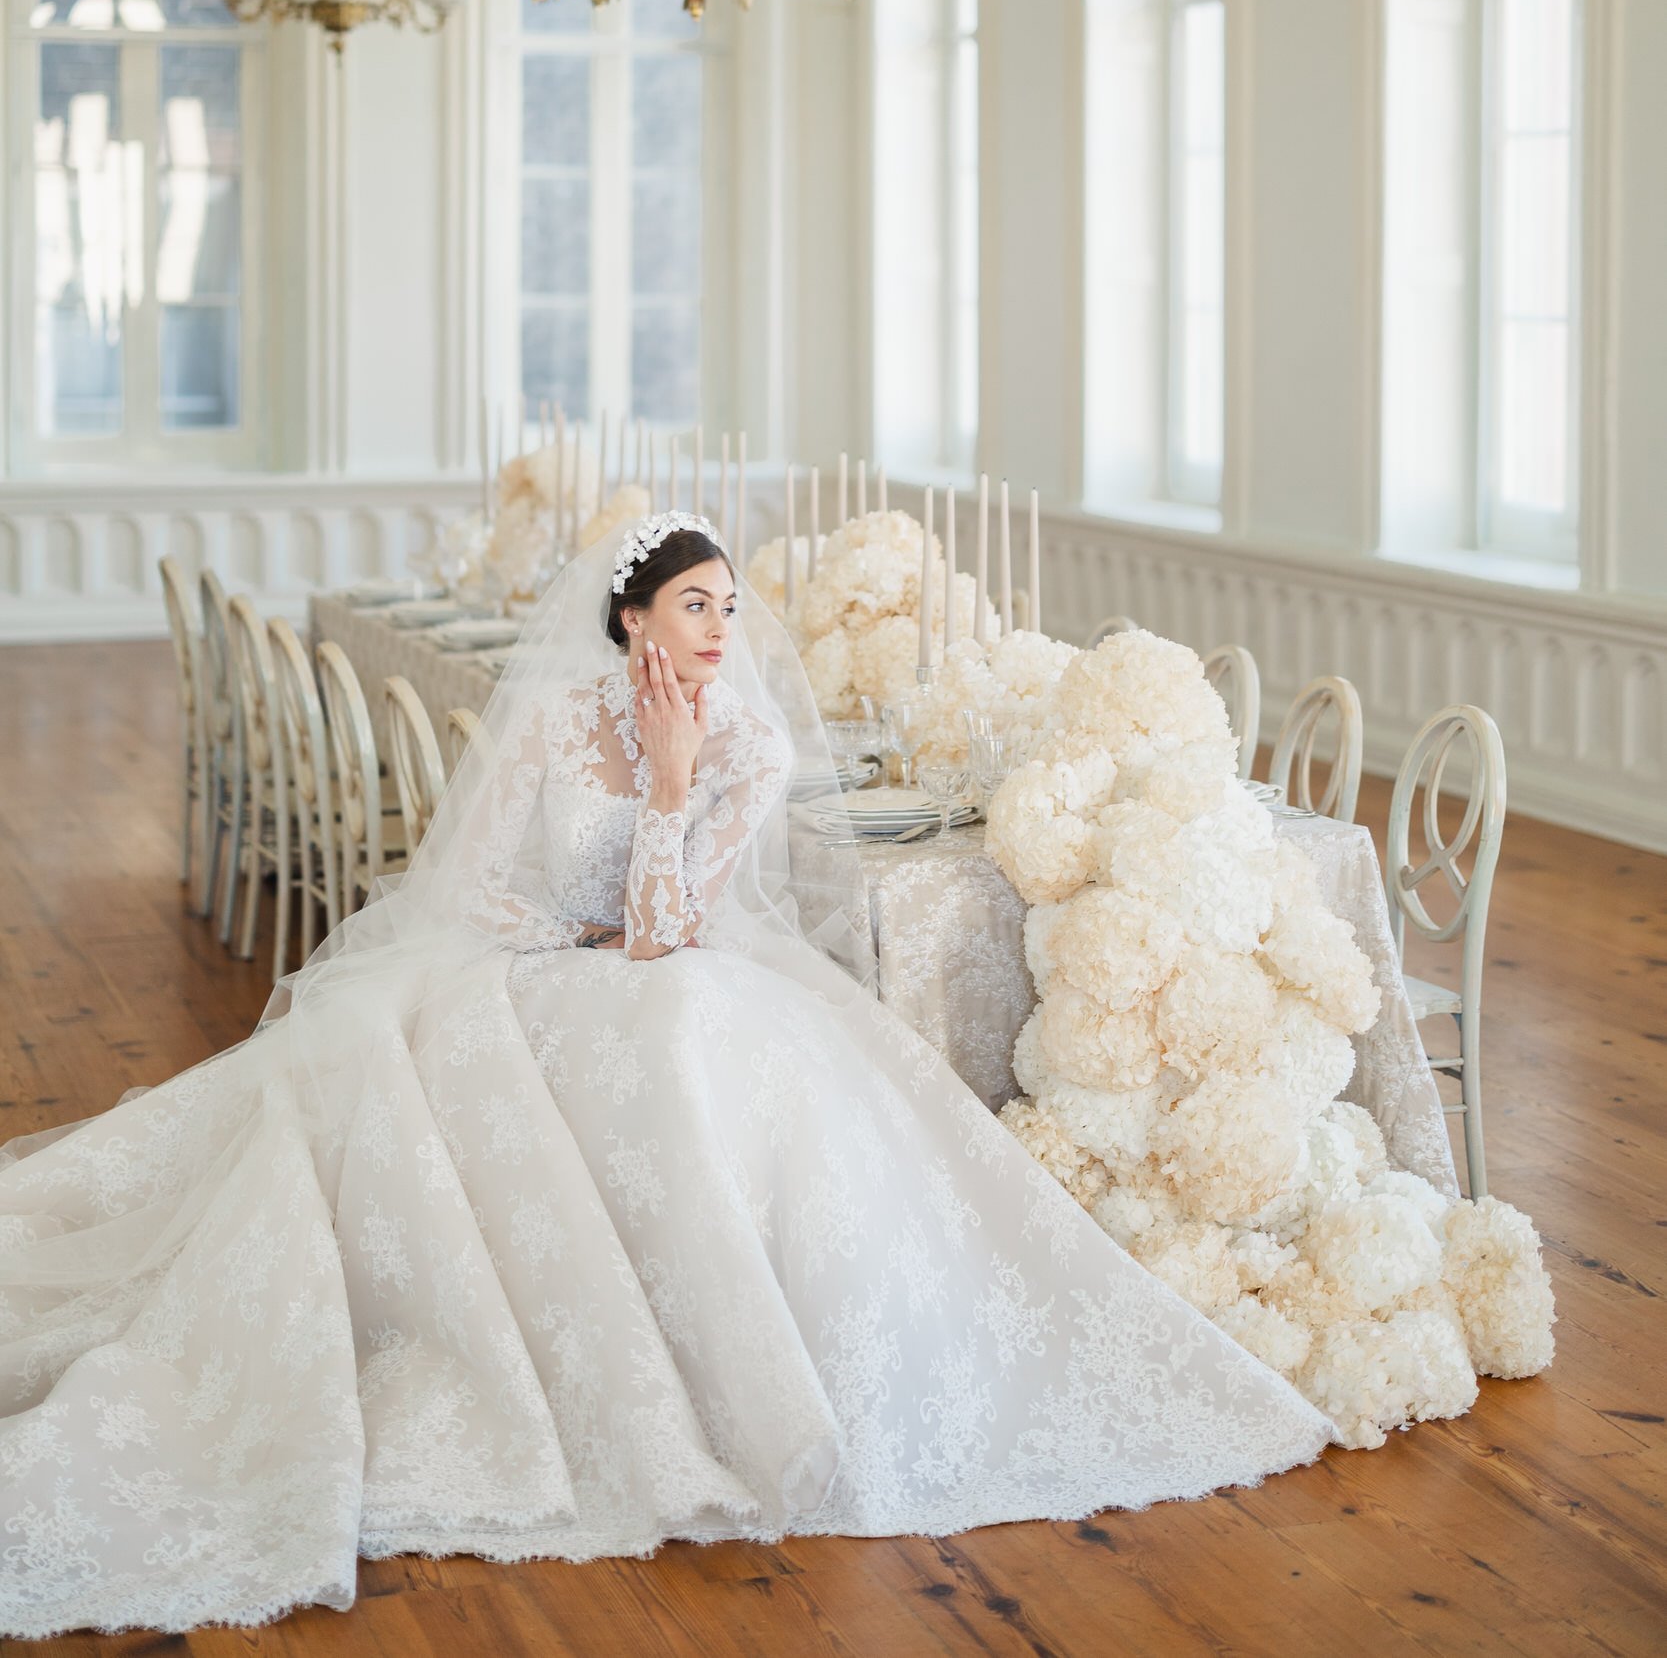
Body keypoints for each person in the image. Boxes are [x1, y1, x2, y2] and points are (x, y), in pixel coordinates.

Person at [0, 514, 1332, 1636]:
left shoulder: (742, 746)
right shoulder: (555, 723)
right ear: (632, 618)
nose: (717, 630)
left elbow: (665, 932)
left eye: (729, 608)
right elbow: (468, 891)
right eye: (694, 605)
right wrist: (570, 923)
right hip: (523, 969)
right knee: (558, 1042)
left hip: (662, 966)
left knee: (698, 1041)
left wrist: (676, 785)